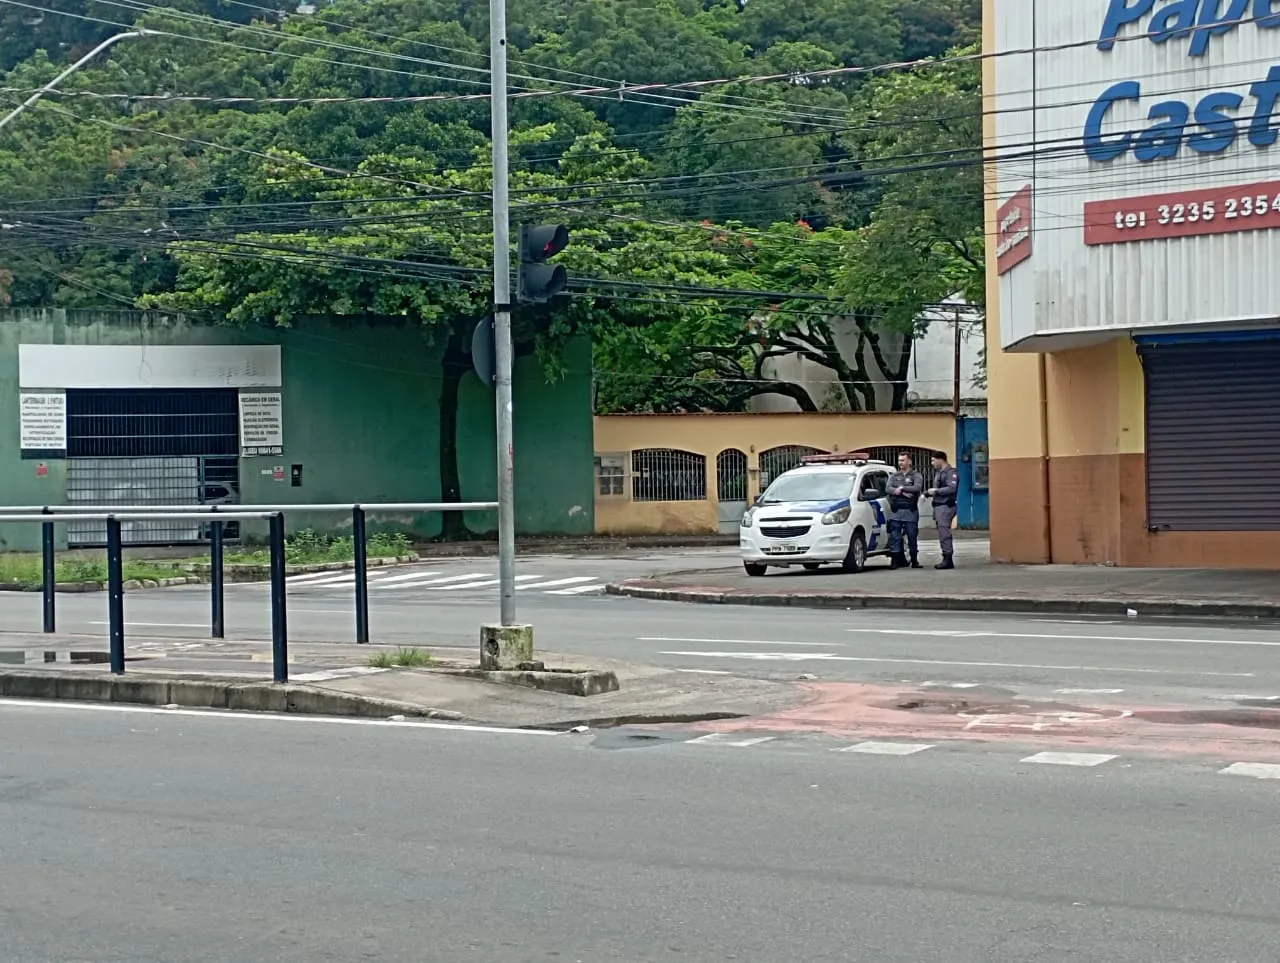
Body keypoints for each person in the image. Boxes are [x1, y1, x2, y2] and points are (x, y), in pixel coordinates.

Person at [886, 451, 924, 569]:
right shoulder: (894, 476)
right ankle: (895, 561)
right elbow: (888, 488)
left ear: (910, 461)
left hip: (910, 511)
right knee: (895, 537)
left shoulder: (915, 475)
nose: (900, 463)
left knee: (912, 536)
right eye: (899, 460)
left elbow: (917, 487)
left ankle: (914, 561)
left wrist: (901, 488)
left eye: (903, 460)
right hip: (896, 511)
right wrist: (901, 492)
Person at [927, 450, 959, 570]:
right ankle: (946, 556)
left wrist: (936, 491)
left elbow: (951, 488)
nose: (932, 463)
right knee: (942, 532)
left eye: (933, 460)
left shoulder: (951, 473)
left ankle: (947, 558)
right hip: (939, 505)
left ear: (941, 460)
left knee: (944, 533)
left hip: (946, 505)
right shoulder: (939, 473)